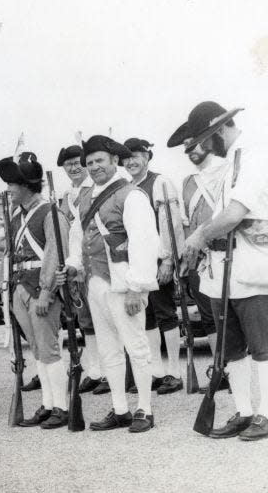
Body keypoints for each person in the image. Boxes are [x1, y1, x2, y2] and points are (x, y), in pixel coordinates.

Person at [176, 101, 268, 441]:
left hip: (250, 265)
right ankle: (243, 412)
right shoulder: (229, 164)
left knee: (264, 346)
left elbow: (234, 213)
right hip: (221, 270)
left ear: (220, 131)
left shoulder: (252, 156)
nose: (203, 146)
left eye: (205, 138)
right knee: (231, 349)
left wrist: (198, 236)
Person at [59, 135, 160, 433]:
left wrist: (136, 287)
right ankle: (120, 409)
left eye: (100, 160)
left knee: (136, 346)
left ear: (114, 161)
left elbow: (144, 242)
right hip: (95, 284)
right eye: (89, 162)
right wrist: (73, 265)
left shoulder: (132, 195)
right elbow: (78, 236)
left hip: (124, 283)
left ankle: (144, 408)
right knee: (108, 351)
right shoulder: (85, 198)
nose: (94, 167)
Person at [0, 151, 71, 430]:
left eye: (12, 185)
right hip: (20, 288)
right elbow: (6, 251)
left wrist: (46, 291)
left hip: (39, 289)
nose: (9, 189)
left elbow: (54, 252)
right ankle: (48, 404)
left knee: (49, 349)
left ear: (26, 185)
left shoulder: (49, 211)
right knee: (38, 350)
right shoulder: (17, 216)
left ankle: (61, 407)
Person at [122, 138, 187, 395]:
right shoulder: (126, 188)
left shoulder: (160, 183)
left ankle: (174, 371)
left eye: (136, 155)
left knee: (165, 313)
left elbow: (171, 224)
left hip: (159, 260)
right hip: (138, 262)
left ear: (147, 157)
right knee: (146, 316)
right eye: (127, 158)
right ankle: (156, 371)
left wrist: (168, 259)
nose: (131, 162)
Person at [166, 126, 229, 373]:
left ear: (209, 142)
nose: (189, 150)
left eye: (194, 144)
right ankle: (219, 368)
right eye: (186, 147)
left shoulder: (226, 172)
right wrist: (182, 258)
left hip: (224, 253)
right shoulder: (188, 182)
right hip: (199, 260)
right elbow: (183, 223)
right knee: (208, 317)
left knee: (229, 316)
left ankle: (235, 368)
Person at [57, 144, 105, 395]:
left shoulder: (95, 190)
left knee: (104, 317)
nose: (74, 168)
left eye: (78, 163)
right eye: (69, 165)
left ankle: (110, 371)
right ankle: (95, 371)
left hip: (95, 261)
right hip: (75, 265)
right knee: (85, 320)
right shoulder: (65, 196)